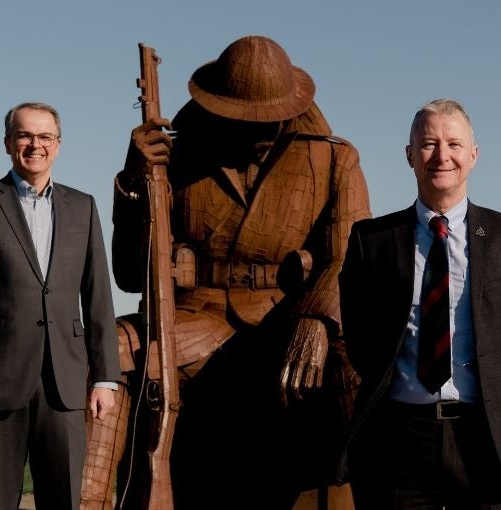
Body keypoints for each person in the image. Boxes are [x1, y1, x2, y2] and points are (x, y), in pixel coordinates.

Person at [84, 35, 371, 509]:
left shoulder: (333, 157)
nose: (258, 129)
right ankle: (87, 501)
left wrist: (317, 320)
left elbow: (348, 258)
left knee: (354, 366)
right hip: (197, 318)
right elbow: (131, 275)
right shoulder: (173, 156)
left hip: (287, 317)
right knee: (106, 351)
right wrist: (134, 185)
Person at [339, 98, 501, 509]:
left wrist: (493, 379)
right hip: (398, 440)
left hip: (488, 439)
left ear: (473, 156)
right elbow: (360, 338)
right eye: (428, 143)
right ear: (409, 156)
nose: (442, 155)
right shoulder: (371, 240)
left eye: (454, 144)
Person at [0, 102, 121, 510]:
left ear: (58, 145)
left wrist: (106, 377)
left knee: (63, 500)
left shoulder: (84, 206)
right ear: (8, 143)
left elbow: (98, 296)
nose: (34, 144)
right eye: (24, 135)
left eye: (44, 137)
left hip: (65, 384)